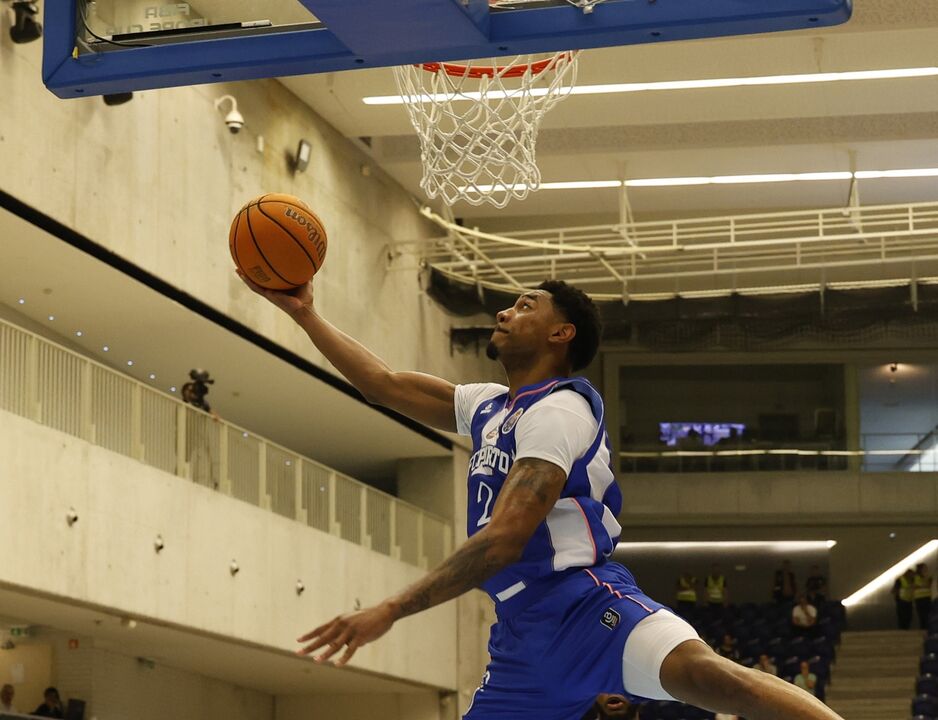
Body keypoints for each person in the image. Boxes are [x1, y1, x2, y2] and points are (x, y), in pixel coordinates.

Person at [240, 273, 846, 720]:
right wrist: (304, 313)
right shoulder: (489, 406)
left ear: (561, 333)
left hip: (584, 606)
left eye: (523, 305)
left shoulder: (559, 410)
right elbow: (384, 384)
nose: (504, 312)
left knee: (716, 680)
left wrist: (391, 609)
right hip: (521, 639)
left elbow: (505, 540)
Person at [914, 562, 933, 630]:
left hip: (927, 597)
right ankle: (923, 628)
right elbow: (918, 585)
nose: (926, 569)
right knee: (922, 614)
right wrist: (925, 585)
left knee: (927, 614)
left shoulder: (928, 576)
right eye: (924, 567)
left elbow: (929, 585)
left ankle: (926, 628)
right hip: (919, 598)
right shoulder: (916, 577)